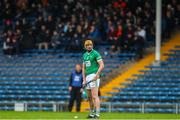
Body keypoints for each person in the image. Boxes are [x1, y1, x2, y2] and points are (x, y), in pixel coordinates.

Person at [82, 39, 104, 119]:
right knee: (89, 97)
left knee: (95, 96)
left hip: (94, 75)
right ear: (85, 46)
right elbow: (83, 68)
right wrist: (84, 79)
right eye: (87, 45)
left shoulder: (95, 53)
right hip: (87, 77)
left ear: (92, 45)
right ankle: (91, 113)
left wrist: (97, 74)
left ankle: (97, 114)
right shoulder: (84, 55)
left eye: (90, 45)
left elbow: (102, 65)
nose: (89, 46)